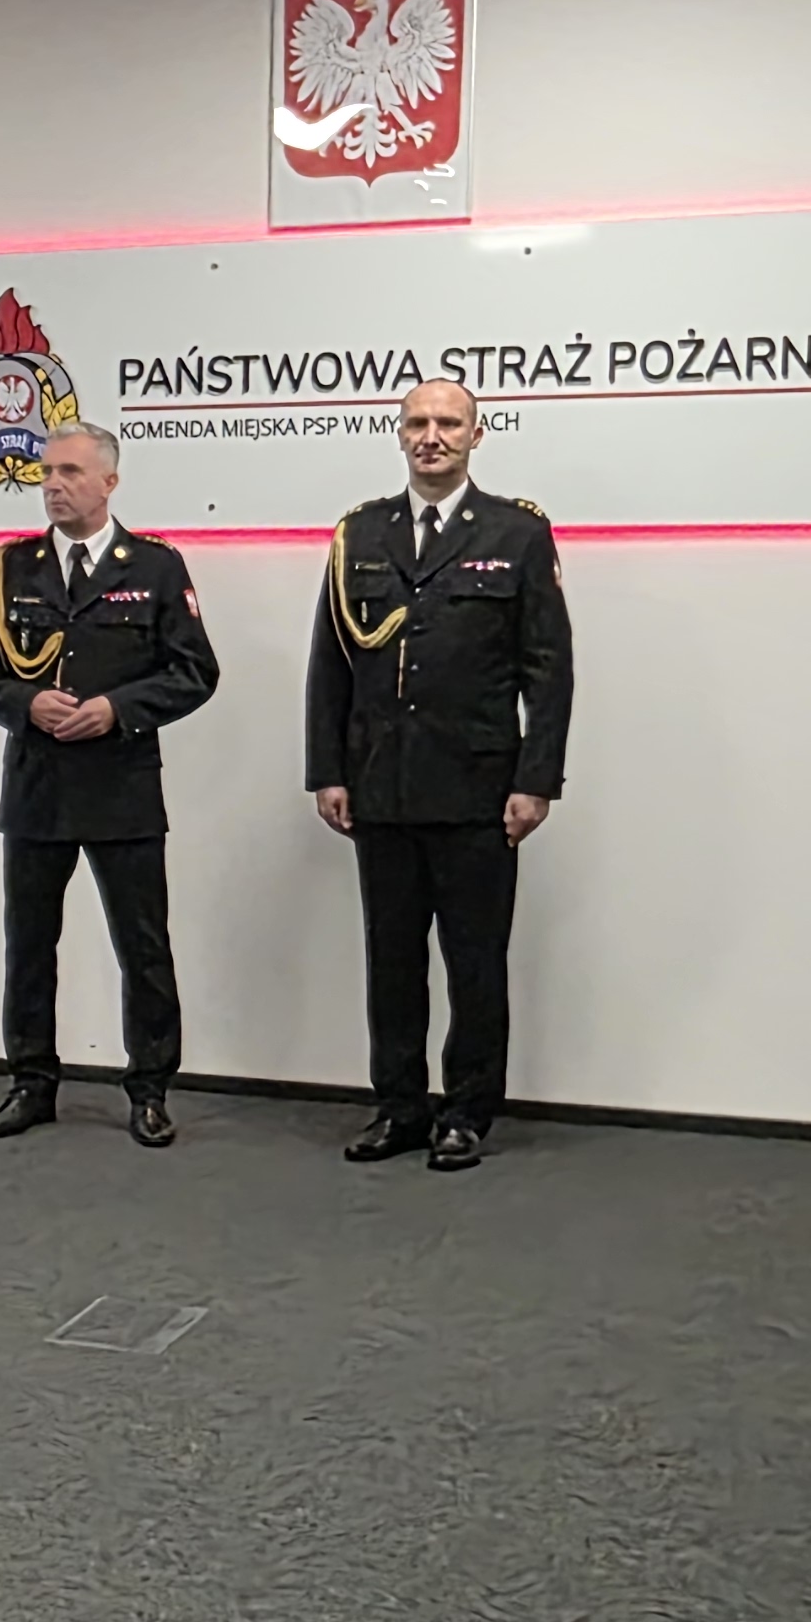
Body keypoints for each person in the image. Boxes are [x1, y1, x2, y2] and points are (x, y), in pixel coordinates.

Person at [304, 381, 575, 1172]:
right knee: (391, 961)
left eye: (448, 423)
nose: (432, 435)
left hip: (478, 787)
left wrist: (536, 778)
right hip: (381, 784)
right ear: (398, 434)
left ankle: (466, 1112)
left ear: (476, 435)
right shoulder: (360, 533)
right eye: (418, 422)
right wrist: (328, 769)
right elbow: (331, 664)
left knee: (474, 961)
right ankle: (399, 1106)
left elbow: (548, 667)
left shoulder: (517, 532)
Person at [0, 424, 220, 1146]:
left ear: (109, 482)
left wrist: (117, 710)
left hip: (121, 786)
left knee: (143, 946)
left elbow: (195, 671)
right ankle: (31, 1082)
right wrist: (24, 703)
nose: (53, 484)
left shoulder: (156, 567)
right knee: (29, 945)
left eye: (70, 471)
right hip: (37, 786)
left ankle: (150, 1089)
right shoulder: (13, 568)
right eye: (46, 472)